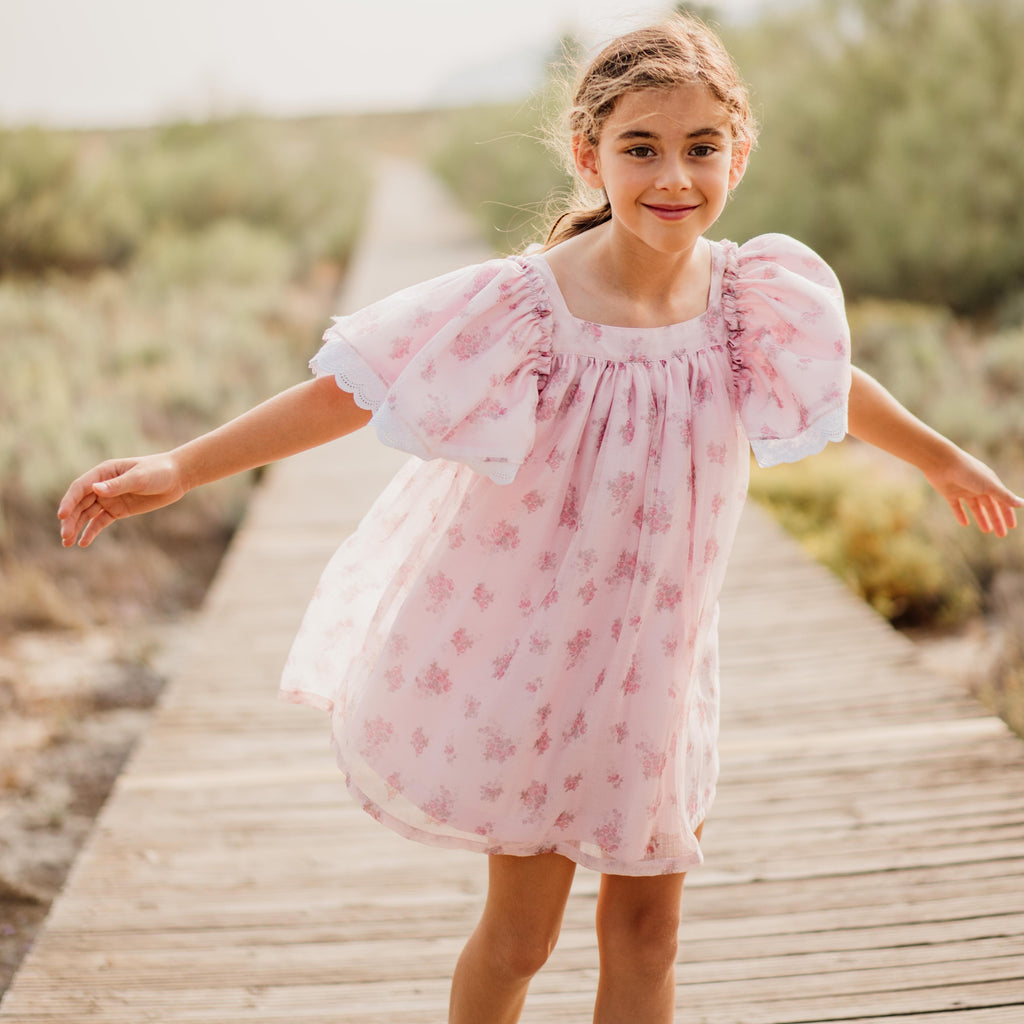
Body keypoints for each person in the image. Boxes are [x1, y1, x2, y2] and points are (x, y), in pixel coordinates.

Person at [57, 14, 1021, 1024]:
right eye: (639, 149)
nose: (672, 177)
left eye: (700, 149)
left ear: (737, 153)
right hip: (536, 663)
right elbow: (352, 388)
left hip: (662, 665)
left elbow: (834, 382)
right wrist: (180, 464)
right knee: (522, 936)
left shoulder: (747, 298)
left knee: (647, 939)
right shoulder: (528, 303)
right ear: (587, 155)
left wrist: (943, 456)